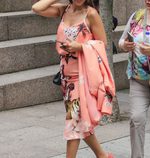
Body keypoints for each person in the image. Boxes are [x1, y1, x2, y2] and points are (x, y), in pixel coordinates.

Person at [32, 0, 115, 158]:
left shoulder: (90, 13)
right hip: (66, 77)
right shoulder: (64, 9)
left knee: (73, 123)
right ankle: (102, 156)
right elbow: (36, 8)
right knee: (79, 120)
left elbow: (103, 44)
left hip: (82, 77)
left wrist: (80, 47)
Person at [119, 0, 150, 158]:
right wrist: (125, 45)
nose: (148, 0)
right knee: (137, 119)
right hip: (138, 78)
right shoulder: (137, 16)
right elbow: (121, 40)